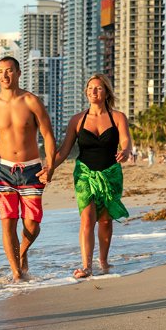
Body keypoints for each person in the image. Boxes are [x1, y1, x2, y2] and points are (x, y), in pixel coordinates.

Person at [0, 56, 57, 282]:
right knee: (8, 221)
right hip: (3, 171)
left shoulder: (31, 101)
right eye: (0, 71)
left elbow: (48, 135)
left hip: (31, 169)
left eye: (9, 70)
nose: (4, 75)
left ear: (19, 73)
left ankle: (22, 253)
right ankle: (16, 273)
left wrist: (50, 165)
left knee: (32, 224)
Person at [47, 74, 133, 279]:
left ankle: (103, 260)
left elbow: (126, 142)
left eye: (98, 88)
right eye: (90, 88)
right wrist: (49, 168)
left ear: (106, 93)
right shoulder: (77, 120)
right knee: (87, 219)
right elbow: (65, 150)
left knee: (105, 221)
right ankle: (86, 266)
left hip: (110, 173)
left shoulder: (118, 117)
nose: (93, 91)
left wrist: (126, 151)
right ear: (86, 92)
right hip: (84, 173)